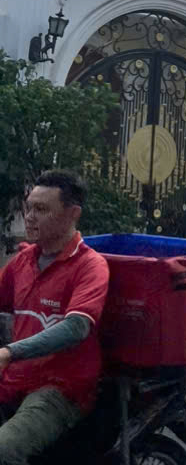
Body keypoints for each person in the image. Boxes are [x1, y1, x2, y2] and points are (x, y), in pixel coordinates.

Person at [0, 170, 109, 463]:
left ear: (72, 214)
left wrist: (10, 352)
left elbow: (76, 327)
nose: (29, 217)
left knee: (4, 450)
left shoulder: (90, 266)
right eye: (28, 208)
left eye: (41, 209)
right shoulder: (23, 261)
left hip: (59, 389)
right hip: (15, 378)